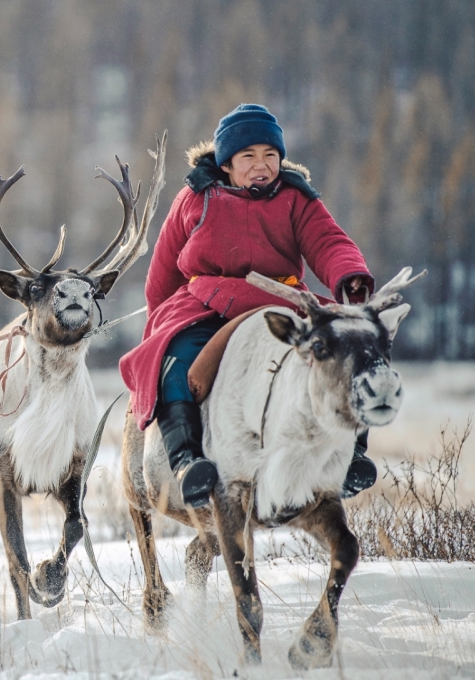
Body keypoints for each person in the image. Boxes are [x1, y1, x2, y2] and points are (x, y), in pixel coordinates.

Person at [119, 103, 377, 508]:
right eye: (249, 157)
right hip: (207, 305)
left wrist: (349, 275)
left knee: (348, 348)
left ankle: (351, 453)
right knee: (175, 364)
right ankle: (188, 461)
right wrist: (159, 329)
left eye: (270, 155)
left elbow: (329, 242)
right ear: (226, 164)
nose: (262, 165)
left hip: (283, 302)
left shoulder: (297, 198)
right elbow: (163, 272)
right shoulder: (195, 197)